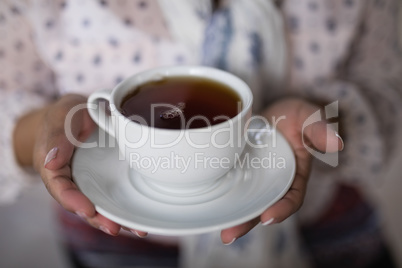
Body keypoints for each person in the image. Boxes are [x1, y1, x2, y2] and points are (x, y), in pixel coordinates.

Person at [1, 0, 401, 267]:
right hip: (115, 241)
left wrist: (321, 124)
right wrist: (44, 129)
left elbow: (390, 93)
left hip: (326, 229)